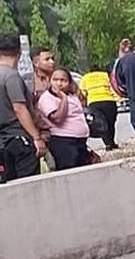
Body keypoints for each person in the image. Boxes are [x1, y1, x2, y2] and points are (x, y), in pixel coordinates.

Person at [0, 33, 42, 181]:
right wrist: (36, 137)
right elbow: (19, 108)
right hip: (18, 138)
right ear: (19, 53)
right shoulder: (11, 76)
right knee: (29, 184)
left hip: (2, 142)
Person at [36, 68, 90, 170]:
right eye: (55, 80)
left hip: (79, 140)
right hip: (63, 140)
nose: (59, 84)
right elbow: (58, 118)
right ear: (50, 81)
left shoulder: (72, 95)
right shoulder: (47, 98)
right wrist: (63, 99)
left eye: (63, 80)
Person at [79, 64, 121, 150]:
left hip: (94, 103)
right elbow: (113, 87)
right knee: (111, 123)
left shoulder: (85, 78)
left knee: (101, 124)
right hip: (109, 101)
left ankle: (108, 144)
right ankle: (112, 142)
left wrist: (84, 104)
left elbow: (82, 92)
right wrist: (118, 98)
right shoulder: (105, 75)